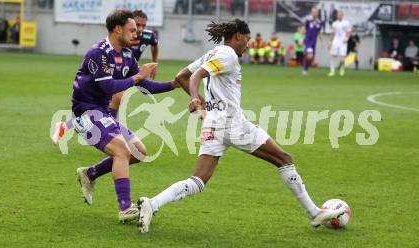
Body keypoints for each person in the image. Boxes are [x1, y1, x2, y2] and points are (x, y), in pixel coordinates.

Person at [136, 19, 345, 233]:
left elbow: (181, 76)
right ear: (237, 36)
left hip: (213, 126)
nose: (248, 45)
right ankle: (314, 212)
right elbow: (196, 76)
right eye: (247, 40)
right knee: (284, 159)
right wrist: (195, 99)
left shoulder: (212, 53)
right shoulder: (228, 55)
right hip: (233, 125)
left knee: (198, 181)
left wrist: (202, 107)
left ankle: (151, 204)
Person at [67, 9, 179, 223]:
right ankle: (125, 208)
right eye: (132, 30)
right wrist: (138, 76)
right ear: (117, 29)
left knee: (139, 152)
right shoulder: (98, 53)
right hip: (85, 112)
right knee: (121, 150)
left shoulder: (127, 54)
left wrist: (174, 84)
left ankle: (90, 174)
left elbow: (144, 84)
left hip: (102, 112)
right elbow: (109, 86)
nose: (136, 35)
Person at [52, 9, 160, 144]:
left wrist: (156, 62)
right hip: (115, 70)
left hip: (126, 70)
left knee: (108, 102)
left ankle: (69, 125)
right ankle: (112, 133)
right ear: (121, 28)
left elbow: (155, 45)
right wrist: (137, 76)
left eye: (143, 26)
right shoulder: (107, 47)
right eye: (137, 25)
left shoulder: (146, 36)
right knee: (116, 98)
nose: (139, 29)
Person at [328, 11, 351, 76]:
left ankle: (342, 69)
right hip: (336, 41)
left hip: (343, 41)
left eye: (340, 15)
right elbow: (332, 34)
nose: (339, 16)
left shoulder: (346, 23)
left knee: (342, 56)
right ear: (336, 15)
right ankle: (332, 71)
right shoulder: (334, 23)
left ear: (342, 15)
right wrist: (330, 42)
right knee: (333, 55)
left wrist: (346, 39)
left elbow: (348, 32)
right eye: (338, 15)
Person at [302, 7, 322, 75]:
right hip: (308, 41)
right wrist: (301, 38)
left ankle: (305, 70)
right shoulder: (308, 19)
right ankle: (305, 69)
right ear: (311, 12)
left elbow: (319, 32)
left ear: (317, 13)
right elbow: (304, 29)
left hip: (314, 42)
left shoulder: (319, 22)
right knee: (309, 56)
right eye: (313, 12)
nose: (314, 13)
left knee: (311, 58)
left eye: (315, 12)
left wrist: (321, 42)